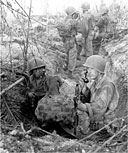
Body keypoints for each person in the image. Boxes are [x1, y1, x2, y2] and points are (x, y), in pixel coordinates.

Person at [76, 55, 119, 137]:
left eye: (92, 68)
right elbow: (87, 99)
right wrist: (84, 85)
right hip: (98, 121)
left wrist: (83, 106)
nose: (89, 71)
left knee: (80, 113)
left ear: (99, 71)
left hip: (107, 126)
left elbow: (100, 108)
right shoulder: (95, 82)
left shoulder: (107, 85)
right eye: (88, 69)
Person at [56, 7, 79, 79]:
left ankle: (65, 67)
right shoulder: (73, 21)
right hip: (71, 41)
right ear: (72, 14)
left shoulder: (64, 21)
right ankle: (70, 73)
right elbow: (79, 28)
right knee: (72, 56)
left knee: (67, 55)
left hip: (65, 41)